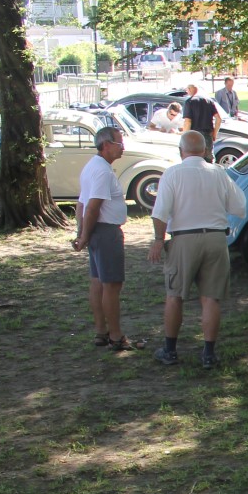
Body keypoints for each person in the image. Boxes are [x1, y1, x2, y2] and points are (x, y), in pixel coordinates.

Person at [148, 131, 246, 368]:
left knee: (175, 295)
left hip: (184, 239)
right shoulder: (218, 173)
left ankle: (170, 350)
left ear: (181, 151)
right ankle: (209, 354)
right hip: (215, 238)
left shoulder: (173, 174)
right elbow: (240, 206)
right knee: (211, 298)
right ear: (204, 150)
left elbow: (160, 212)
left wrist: (158, 239)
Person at [71, 126, 143, 351]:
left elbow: (81, 205)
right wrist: (83, 235)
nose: (123, 147)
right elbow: (92, 207)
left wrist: (82, 233)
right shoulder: (102, 171)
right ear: (106, 145)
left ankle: (101, 331)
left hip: (95, 232)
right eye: (119, 143)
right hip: (106, 232)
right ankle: (116, 336)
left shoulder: (92, 167)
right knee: (111, 285)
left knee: (98, 283)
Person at [181, 83, 221, 154]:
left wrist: (184, 137)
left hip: (194, 137)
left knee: (193, 159)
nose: (187, 91)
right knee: (209, 159)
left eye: (187, 89)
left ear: (190, 89)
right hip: (208, 135)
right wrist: (214, 134)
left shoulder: (189, 102)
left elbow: (187, 122)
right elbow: (218, 119)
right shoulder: (209, 101)